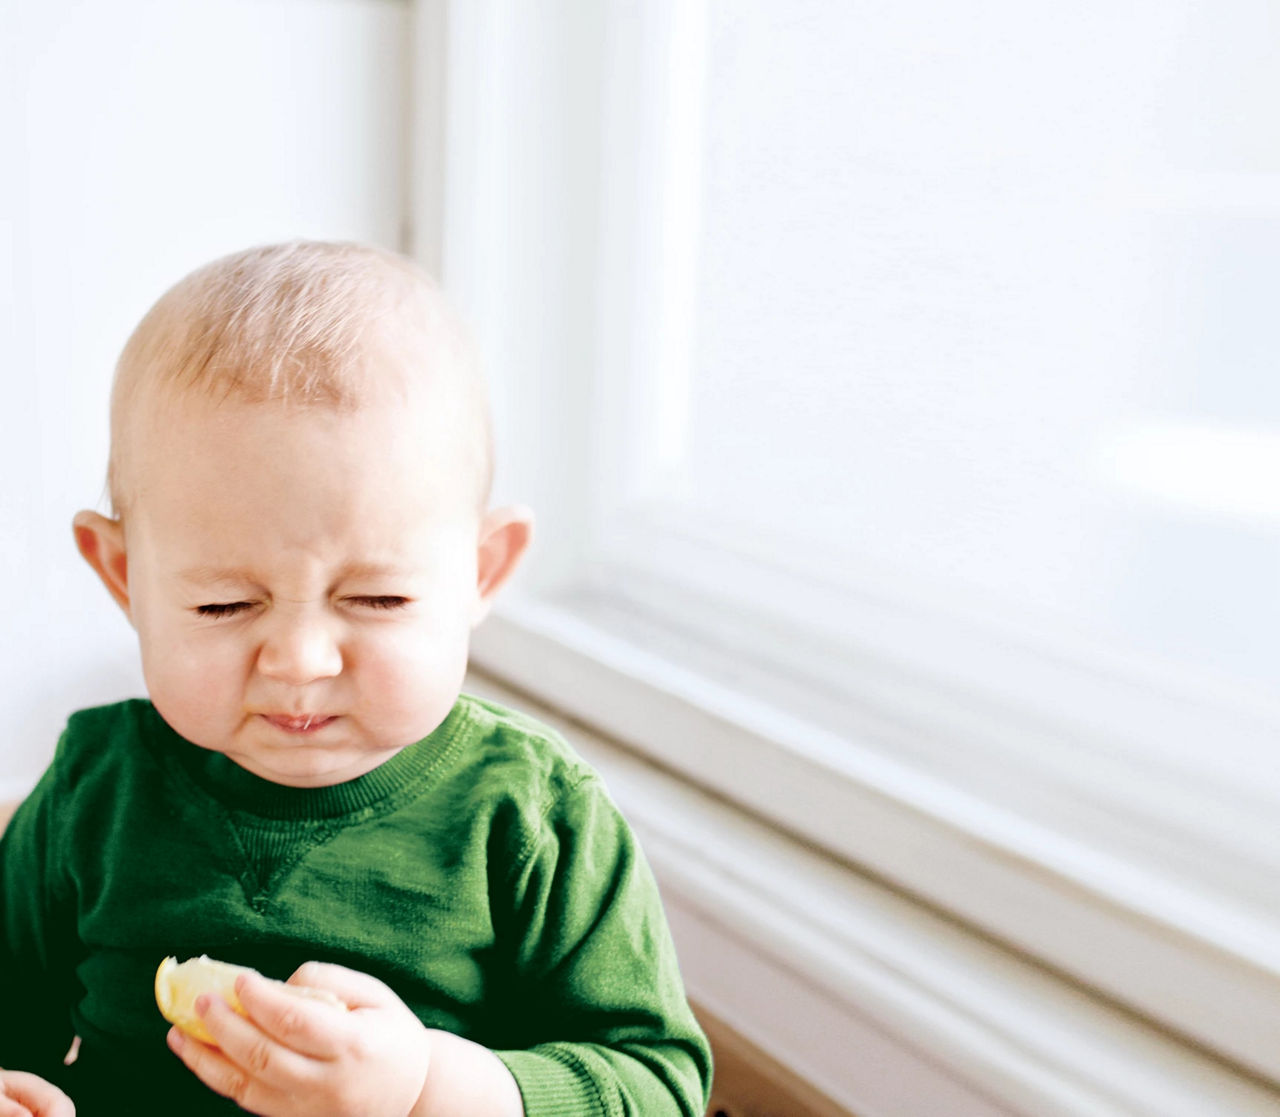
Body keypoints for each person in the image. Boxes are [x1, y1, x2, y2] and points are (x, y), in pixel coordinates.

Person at [0, 241, 712, 1117]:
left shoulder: (530, 812)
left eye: (376, 598)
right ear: (123, 579)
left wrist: (430, 1087)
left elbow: (659, 1083)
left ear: (481, 574)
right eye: (225, 605)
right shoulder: (93, 789)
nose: (299, 661)